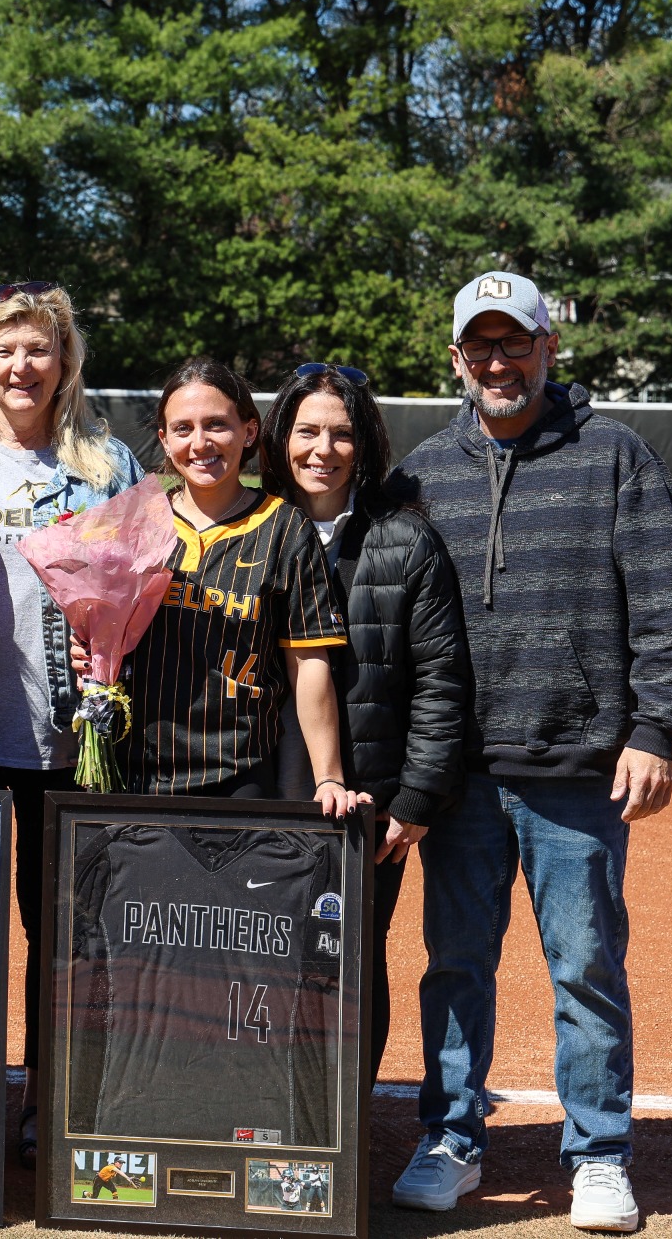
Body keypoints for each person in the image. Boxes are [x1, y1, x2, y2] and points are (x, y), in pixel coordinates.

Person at [387, 272, 672, 1233]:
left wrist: (655, 727)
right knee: (455, 963)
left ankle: (598, 1153)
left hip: (577, 767)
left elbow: (657, 597)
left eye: (513, 341)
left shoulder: (616, 457)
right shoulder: (422, 471)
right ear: (455, 359)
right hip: (461, 771)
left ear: (547, 347)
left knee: (586, 964)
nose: (496, 360)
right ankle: (452, 1135)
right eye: (478, 345)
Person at [0, 280, 142, 1165]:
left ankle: (51, 1099)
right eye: (4, 349)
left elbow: (137, 590)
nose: (22, 365)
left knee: (65, 934)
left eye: (39, 349)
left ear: (65, 362)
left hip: (67, 741)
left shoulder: (106, 465)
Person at [259, 363, 470, 1081]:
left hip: (365, 801)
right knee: (253, 953)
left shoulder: (406, 542)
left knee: (347, 955)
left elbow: (443, 681)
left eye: (342, 432)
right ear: (280, 435)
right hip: (253, 791)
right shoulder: (245, 527)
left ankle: (338, 1136)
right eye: (307, 429)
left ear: (365, 443)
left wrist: (414, 801)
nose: (323, 448)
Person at [113, 359, 355, 804]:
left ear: (249, 431)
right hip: (135, 767)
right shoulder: (135, 519)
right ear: (164, 440)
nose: (200, 442)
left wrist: (329, 777)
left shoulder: (285, 528)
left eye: (216, 425)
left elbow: (308, 663)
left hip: (238, 771)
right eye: (182, 429)